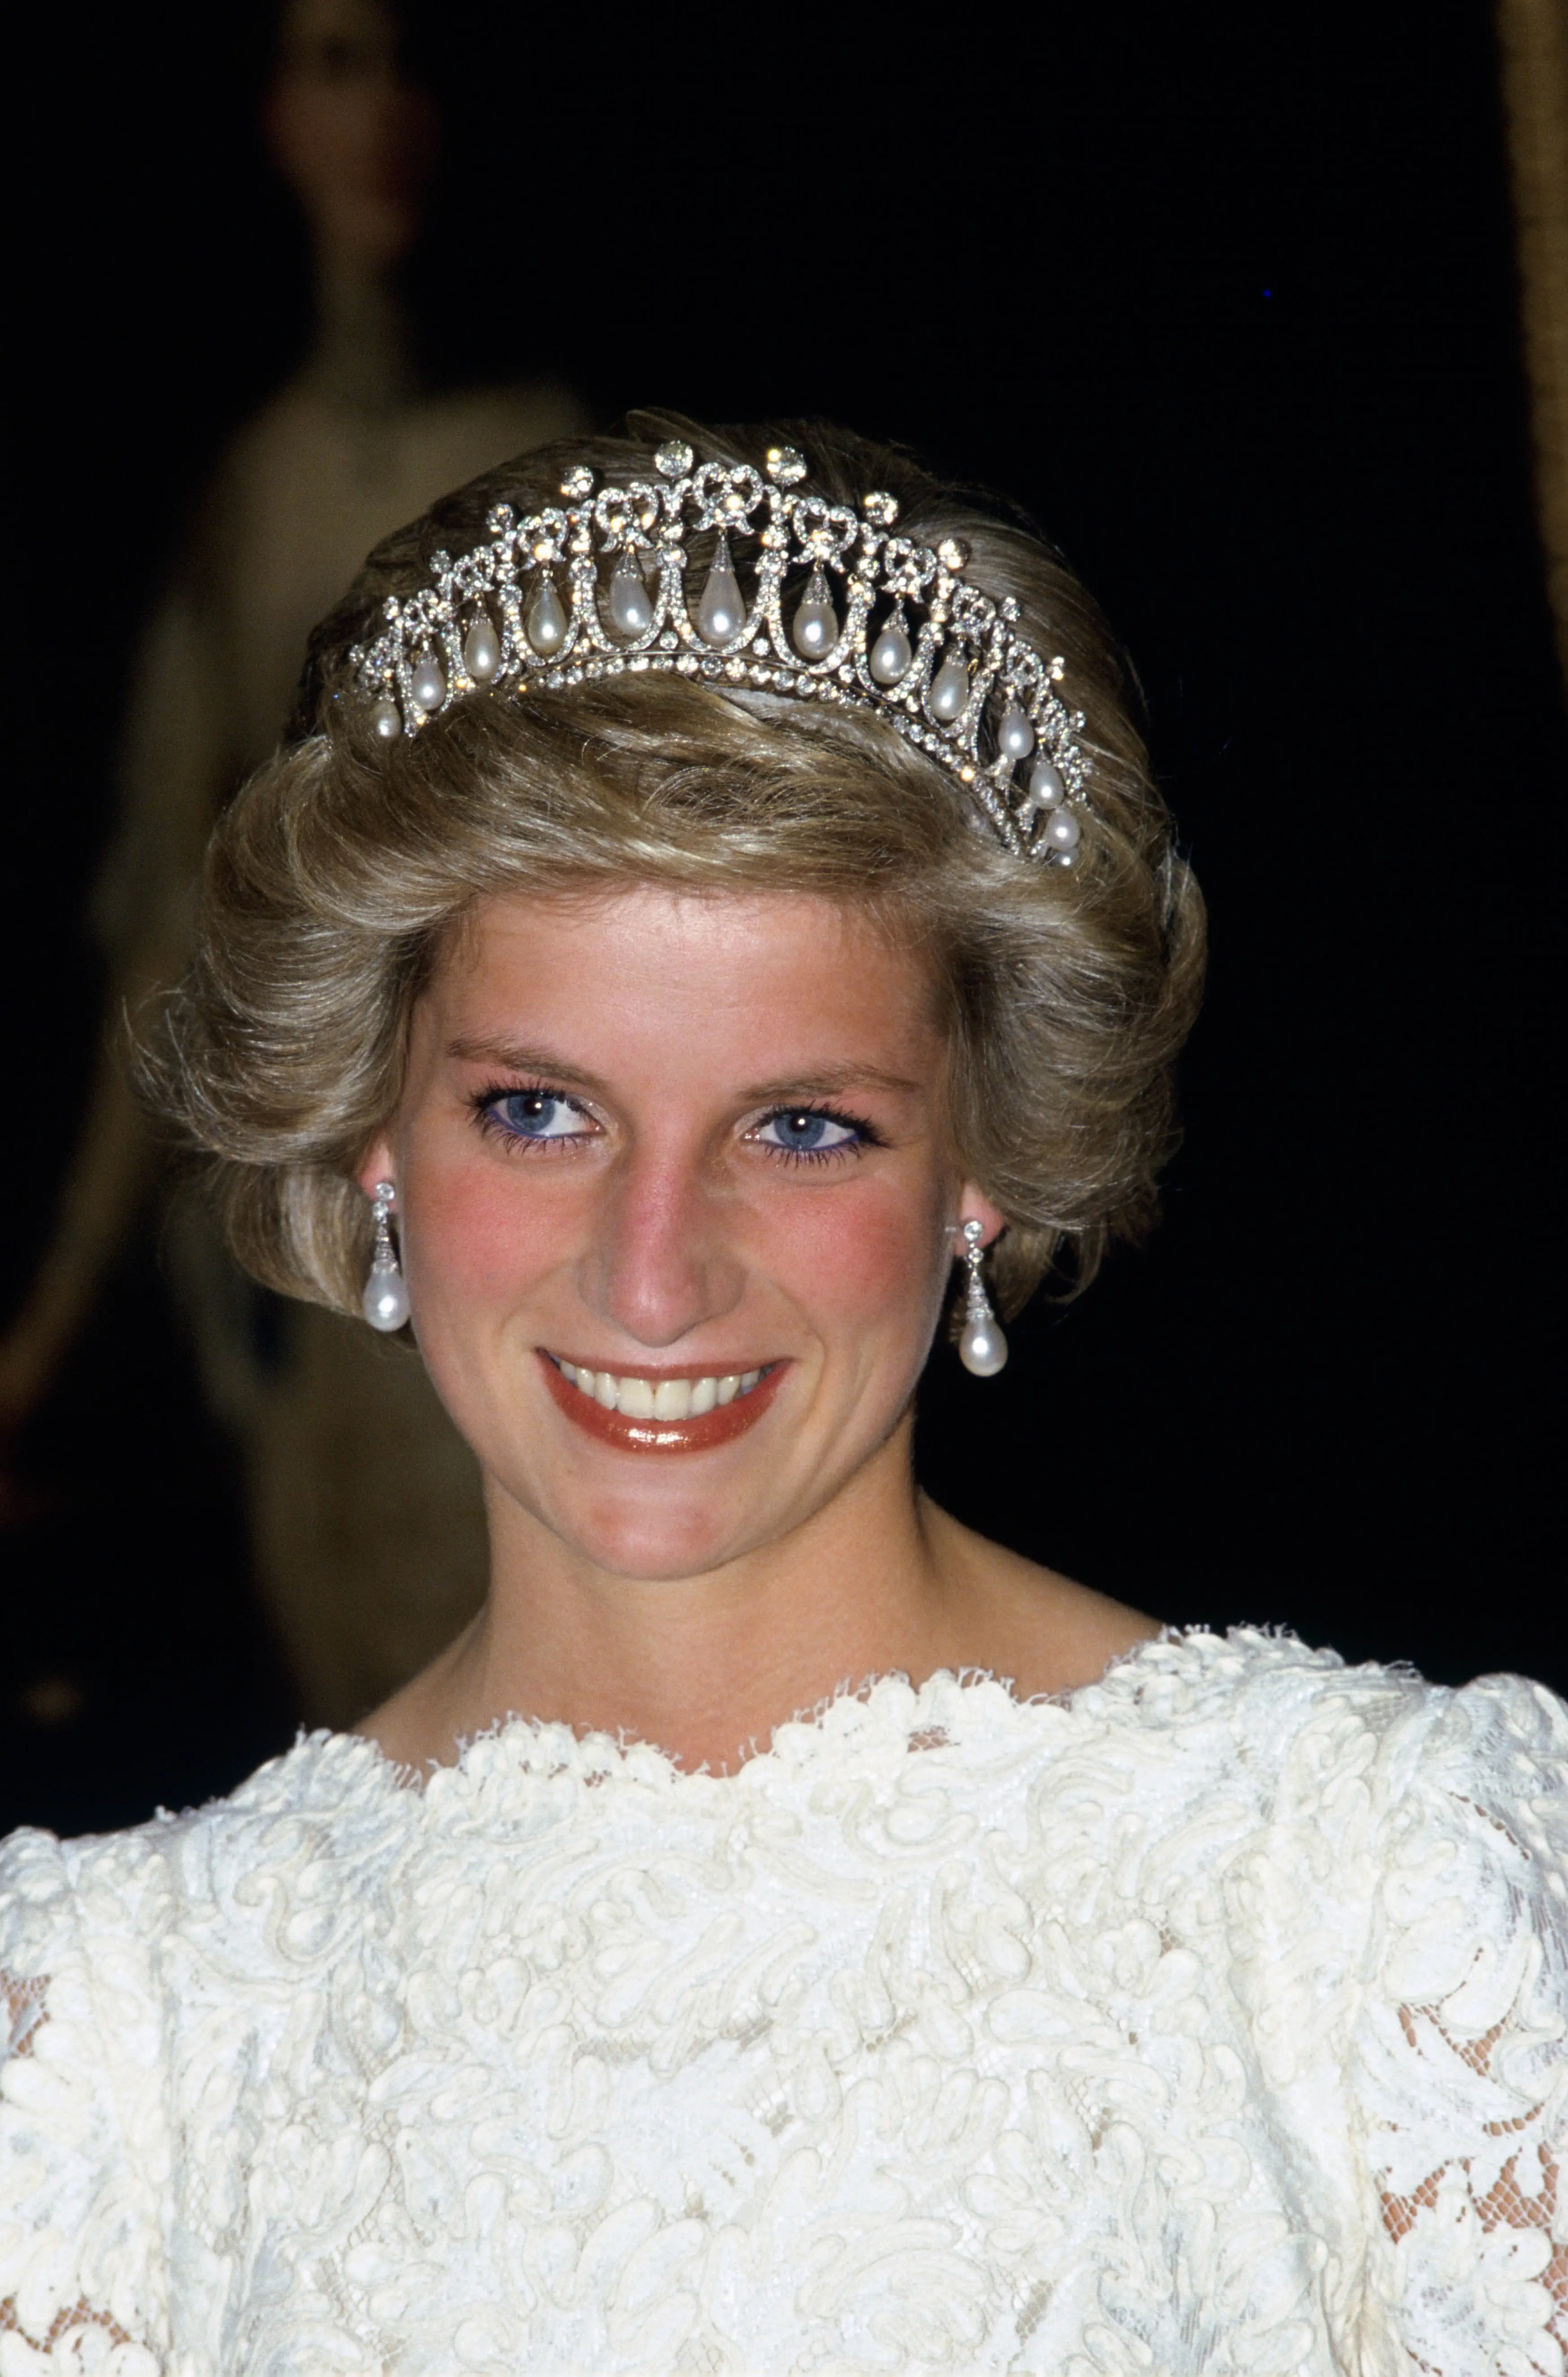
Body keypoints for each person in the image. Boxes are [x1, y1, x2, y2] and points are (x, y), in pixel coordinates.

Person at [1, 416, 1563, 2371]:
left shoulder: (1366, 1895)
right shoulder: (106, 2047)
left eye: (806, 1126)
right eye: (539, 1111)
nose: (655, 1271)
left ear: (982, 1160)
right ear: (378, 1133)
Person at [0, 0, 585, 1726]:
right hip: (322, 1281)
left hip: (519, 1230)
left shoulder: (545, 457)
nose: (384, 107)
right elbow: (176, 929)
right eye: (338, 62)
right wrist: (52, 1328)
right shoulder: (255, 493)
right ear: (279, 117)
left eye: (414, 55)